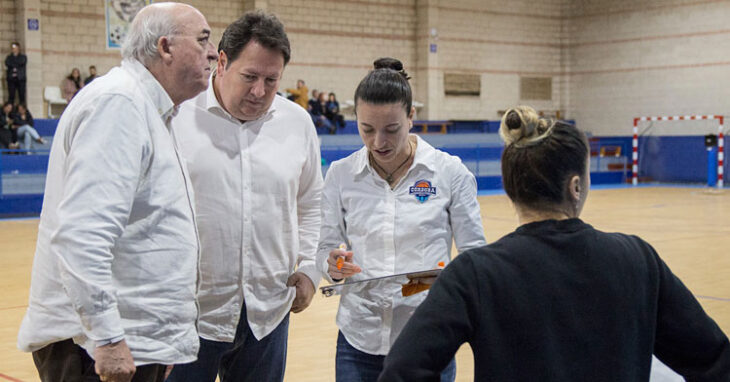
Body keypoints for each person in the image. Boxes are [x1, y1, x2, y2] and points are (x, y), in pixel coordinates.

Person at [379, 106, 730, 381]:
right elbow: (714, 360)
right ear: (575, 187)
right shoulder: (638, 260)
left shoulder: (475, 274)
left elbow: (403, 371)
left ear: (510, 188)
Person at [17, 3, 217, 382]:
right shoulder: (120, 104)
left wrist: (162, 340)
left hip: (132, 341)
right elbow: (82, 236)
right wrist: (108, 338)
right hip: (93, 348)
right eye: (203, 40)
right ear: (165, 47)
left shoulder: (150, 109)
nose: (212, 53)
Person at [166, 10, 323, 382]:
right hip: (190, 315)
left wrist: (311, 268)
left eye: (272, 80)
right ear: (221, 62)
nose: (259, 91)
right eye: (249, 76)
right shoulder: (177, 116)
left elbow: (312, 202)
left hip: (268, 314)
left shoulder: (297, 123)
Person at [316, 57, 486, 382]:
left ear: (411, 116)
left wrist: (423, 288)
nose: (378, 142)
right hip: (358, 341)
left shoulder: (450, 174)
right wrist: (332, 265)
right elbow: (324, 247)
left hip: (427, 341)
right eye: (366, 129)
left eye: (391, 129)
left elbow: (473, 258)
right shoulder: (340, 175)